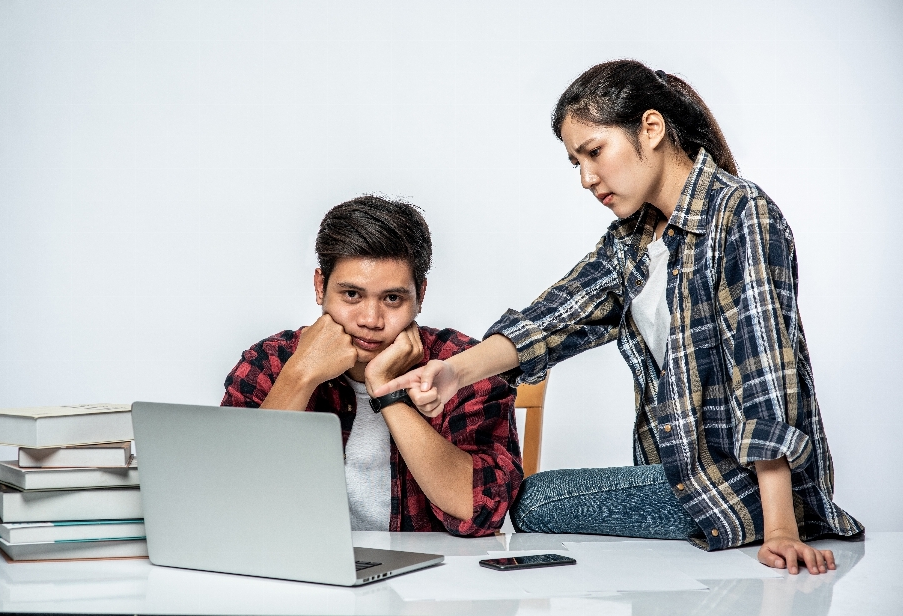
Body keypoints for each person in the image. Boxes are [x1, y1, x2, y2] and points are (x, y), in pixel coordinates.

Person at [375, 60, 864, 572]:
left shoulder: (741, 214)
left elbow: (765, 376)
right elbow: (555, 319)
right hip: (682, 479)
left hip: (740, 490)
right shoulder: (632, 241)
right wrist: (453, 372)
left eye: (594, 152)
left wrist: (781, 529)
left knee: (533, 500)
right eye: (575, 162)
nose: (587, 178)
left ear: (650, 129)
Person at [220, 195, 521, 537]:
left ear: (420, 295)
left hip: (431, 578)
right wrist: (301, 375)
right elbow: (231, 497)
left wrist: (388, 391)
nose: (370, 320)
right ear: (321, 286)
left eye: (392, 298)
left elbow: (480, 512)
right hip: (300, 573)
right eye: (352, 295)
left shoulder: (459, 365)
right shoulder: (272, 361)